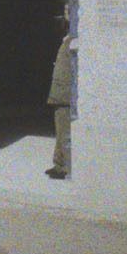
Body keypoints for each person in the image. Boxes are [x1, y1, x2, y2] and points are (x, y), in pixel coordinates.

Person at [46, 12, 72, 179]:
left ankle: (62, 166)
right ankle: (58, 163)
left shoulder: (71, 42)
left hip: (64, 94)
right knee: (60, 128)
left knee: (64, 131)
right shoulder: (67, 41)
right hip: (60, 94)